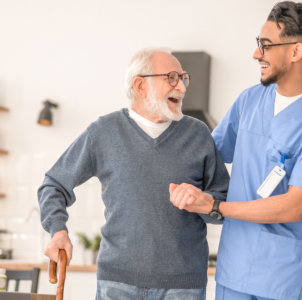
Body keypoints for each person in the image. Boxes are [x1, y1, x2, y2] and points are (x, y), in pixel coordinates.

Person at [170, 2, 302, 300]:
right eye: (259, 44)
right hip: (234, 270)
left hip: (286, 278)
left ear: (296, 51)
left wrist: (215, 206)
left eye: (266, 46)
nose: (257, 54)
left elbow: (294, 206)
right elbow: (206, 157)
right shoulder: (250, 100)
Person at [38, 48, 229, 300]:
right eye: (171, 78)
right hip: (117, 284)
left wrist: (204, 203)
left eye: (183, 78)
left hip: (183, 286)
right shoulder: (104, 132)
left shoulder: (198, 134)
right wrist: (58, 230)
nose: (181, 88)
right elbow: (54, 184)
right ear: (140, 85)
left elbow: (223, 203)